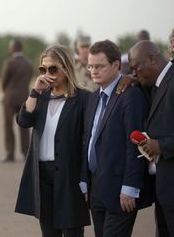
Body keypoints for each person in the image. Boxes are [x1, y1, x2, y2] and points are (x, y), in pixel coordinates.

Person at [15, 44, 90, 237]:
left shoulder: (83, 99)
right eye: (43, 69)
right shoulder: (40, 97)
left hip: (70, 175)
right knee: (49, 233)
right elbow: (23, 121)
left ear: (66, 67)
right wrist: (34, 92)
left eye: (53, 68)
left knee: (72, 231)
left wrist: (85, 179)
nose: (48, 73)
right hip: (42, 175)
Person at [81, 40, 153, 237]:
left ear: (116, 65)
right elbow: (87, 141)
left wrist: (130, 187)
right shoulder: (93, 98)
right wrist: (84, 181)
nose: (93, 71)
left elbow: (136, 146)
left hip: (121, 192)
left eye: (99, 66)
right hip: (96, 189)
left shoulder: (131, 96)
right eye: (91, 66)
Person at [129, 40, 174, 237]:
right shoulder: (155, 84)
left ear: (153, 59)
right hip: (163, 190)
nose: (134, 72)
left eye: (136, 67)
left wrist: (161, 145)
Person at [0, 39, 33, 162]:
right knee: (24, 127)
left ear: (13, 48)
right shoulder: (28, 62)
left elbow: (4, 81)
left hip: (10, 99)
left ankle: (10, 153)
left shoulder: (9, 62)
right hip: (24, 97)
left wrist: (7, 91)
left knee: (8, 126)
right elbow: (29, 77)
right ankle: (26, 153)